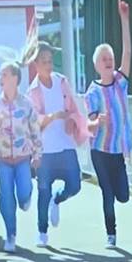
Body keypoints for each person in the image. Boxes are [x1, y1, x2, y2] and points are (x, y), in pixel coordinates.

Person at [28, 41, 87, 249]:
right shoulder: (32, 91)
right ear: (36, 64)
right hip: (45, 150)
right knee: (42, 190)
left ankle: (58, 199)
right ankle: (42, 232)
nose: (48, 65)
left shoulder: (61, 81)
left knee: (75, 185)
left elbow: (72, 108)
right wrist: (53, 117)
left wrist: (71, 119)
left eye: (50, 61)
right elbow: (34, 122)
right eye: (43, 61)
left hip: (65, 144)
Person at [86, 0, 132, 249]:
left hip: (117, 151)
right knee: (107, 193)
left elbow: (127, 52)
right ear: (96, 65)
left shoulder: (120, 82)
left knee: (123, 196)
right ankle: (111, 235)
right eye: (104, 58)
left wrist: (124, 19)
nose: (108, 60)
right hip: (99, 151)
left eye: (110, 57)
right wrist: (96, 122)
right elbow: (89, 123)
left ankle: (117, 196)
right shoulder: (92, 91)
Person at [0, 60, 41, 252]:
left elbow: (35, 130)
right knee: (6, 197)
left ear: (15, 78)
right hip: (3, 159)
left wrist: (38, 154)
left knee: (23, 194)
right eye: (0, 75)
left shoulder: (26, 104)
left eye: (4, 74)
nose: (0, 78)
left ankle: (26, 197)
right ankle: (10, 235)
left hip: (22, 159)